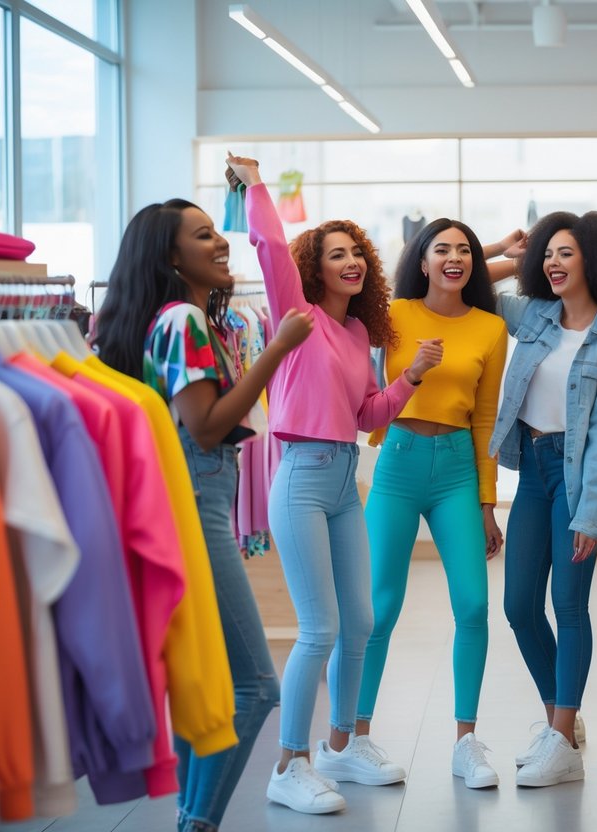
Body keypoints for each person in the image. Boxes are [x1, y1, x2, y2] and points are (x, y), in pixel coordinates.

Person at [224, 155, 441, 816]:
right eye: (336, 254)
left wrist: (411, 378)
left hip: (347, 479)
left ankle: (342, 746)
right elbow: (266, 245)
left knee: (362, 622)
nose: (351, 263)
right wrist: (256, 183)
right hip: (301, 481)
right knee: (317, 629)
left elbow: (368, 417)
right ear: (314, 267)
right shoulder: (299, 313)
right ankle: (288, 764)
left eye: (357, 254)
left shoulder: (354, 333)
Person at [93, 195, 313, 832]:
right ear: (170, 255)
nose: (221, 243)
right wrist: (277, 347)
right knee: (253, 687)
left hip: (191, 495)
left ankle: (192, 818)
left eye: (218, 231)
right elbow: (210, 426)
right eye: (204, 235)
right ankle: (197, 824)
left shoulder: (169, 318)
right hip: (196, 499)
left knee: (202, 684)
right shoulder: (184, 319)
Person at [489, 210, 597, 788]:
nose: (552, 263)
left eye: (565, 254)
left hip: (578, 479)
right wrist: (508, 250)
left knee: (569, 606)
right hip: (532, 471)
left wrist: (593, 513)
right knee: (519, 606)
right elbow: (460, 279)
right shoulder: (532, 314)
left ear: (592, 261)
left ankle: (561, 736)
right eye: (546, 254)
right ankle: (562, 721)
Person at [354, 218, 508, 790]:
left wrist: (488, 504)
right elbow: (365, 387)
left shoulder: (491, 328)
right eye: (441, 248)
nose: (455, 257)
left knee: (472, 605)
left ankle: (465, 743)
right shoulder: (393, 316)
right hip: (396, 462)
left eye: (464, 250)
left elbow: (487, 417)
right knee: (379, 609)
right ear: (422, 262)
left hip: (457, 474)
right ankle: (355, 734)